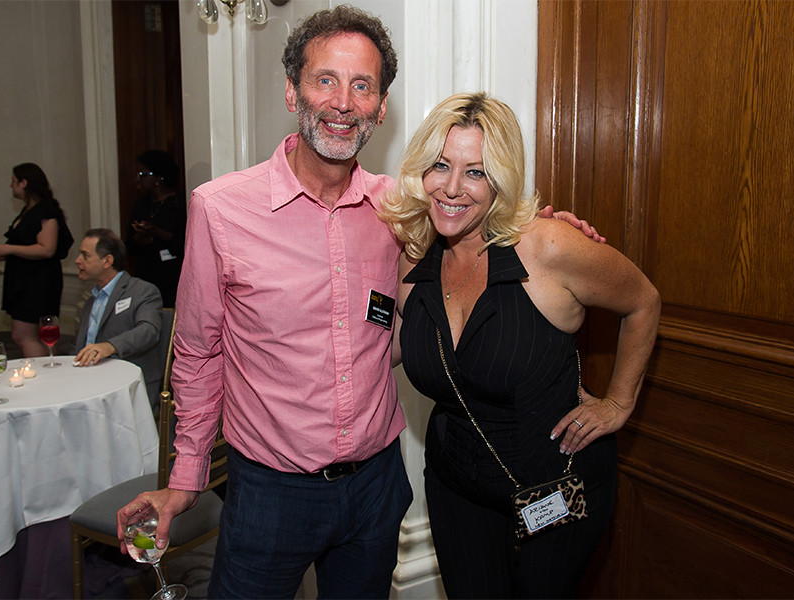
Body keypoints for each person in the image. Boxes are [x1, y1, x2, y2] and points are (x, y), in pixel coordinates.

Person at [115, 8, 602, 598]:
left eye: (362, 86)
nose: (343, 102)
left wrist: (544, 230)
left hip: (376, 489)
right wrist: (186, 477)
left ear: (380, 107)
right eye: (326, 80)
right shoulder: (221, 210)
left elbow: (476, 223)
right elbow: (197, 351)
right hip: (270, 495)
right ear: (292, 89)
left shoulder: (402, 210)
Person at [378, 92, 661, 598]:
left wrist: (619, 402)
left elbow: (643, 301)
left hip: (556, 485)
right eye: (440, 165)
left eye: (476, 172)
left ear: (501, 180)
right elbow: (394, 346)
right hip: (456, 487)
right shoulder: (414, 258)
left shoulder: (548, 248)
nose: (451, 187)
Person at [0, 163, 73, 357]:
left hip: (37, 282)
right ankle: (48, 374)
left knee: (24, 335)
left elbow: (47, 249)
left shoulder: (45, 211)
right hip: (27, 279)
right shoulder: (29, 209)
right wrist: (8, 253)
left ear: (24, 183)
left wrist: (8, 248)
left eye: (13, 180)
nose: (11, 185)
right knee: (33, 335)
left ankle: (43, 378)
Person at [72, 228, 163, 407]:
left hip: (127, 386)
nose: (77, 261)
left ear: (107, 261)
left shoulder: (142, 291)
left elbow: (149, 330)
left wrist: (110, 346)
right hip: (88, 382)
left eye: (85, 255)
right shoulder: (91, 299)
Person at [125, 149, 187, 307]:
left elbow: (184, 245)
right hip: (145, 275)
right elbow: (128, 247)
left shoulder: (179, 204)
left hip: (172, 278)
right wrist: (139, 238)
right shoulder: (141, 205)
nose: (137, 179)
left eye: (142, 174)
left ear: (158, 178)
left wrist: (155, 231)